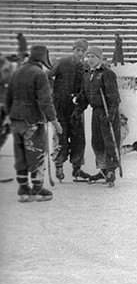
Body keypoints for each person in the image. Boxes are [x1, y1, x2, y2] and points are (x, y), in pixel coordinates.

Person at [5, 45, 63, 201]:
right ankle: (37, 188)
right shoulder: (39, 74)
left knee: (21, 154)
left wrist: (12, 116)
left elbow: (8, 97)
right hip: (33, 119)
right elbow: (45, 101)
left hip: (17, 119)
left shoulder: (17, 72)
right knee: (36, 153)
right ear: (43, 58)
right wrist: (53, 120)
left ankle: (23, 189)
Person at [73, 46, 121, 186]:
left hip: (107, 112)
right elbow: (84, 96)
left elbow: (114, 97)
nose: (90, 59)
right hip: (96, 113)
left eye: (93, 56)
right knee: (97, 142)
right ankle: (102, 169)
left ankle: (111, 170)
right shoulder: (87, 74)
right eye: (88, 57)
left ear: (100, 58)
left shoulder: (107, 73)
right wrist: (78, 110)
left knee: (109, 141)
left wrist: (111, 114)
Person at [48, 39, 91, 182]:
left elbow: (87, 85)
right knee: (62, 135)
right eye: (77, 50)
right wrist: (54, 90)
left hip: (76, 107)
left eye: (83, 51)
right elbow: (48, 75)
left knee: (79, 138)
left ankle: (77, 169)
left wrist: (81, 98)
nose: (80, 53)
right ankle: (59, 165)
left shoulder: (85, 66)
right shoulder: (61, 62)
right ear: (73, 50)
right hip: (60, 105)